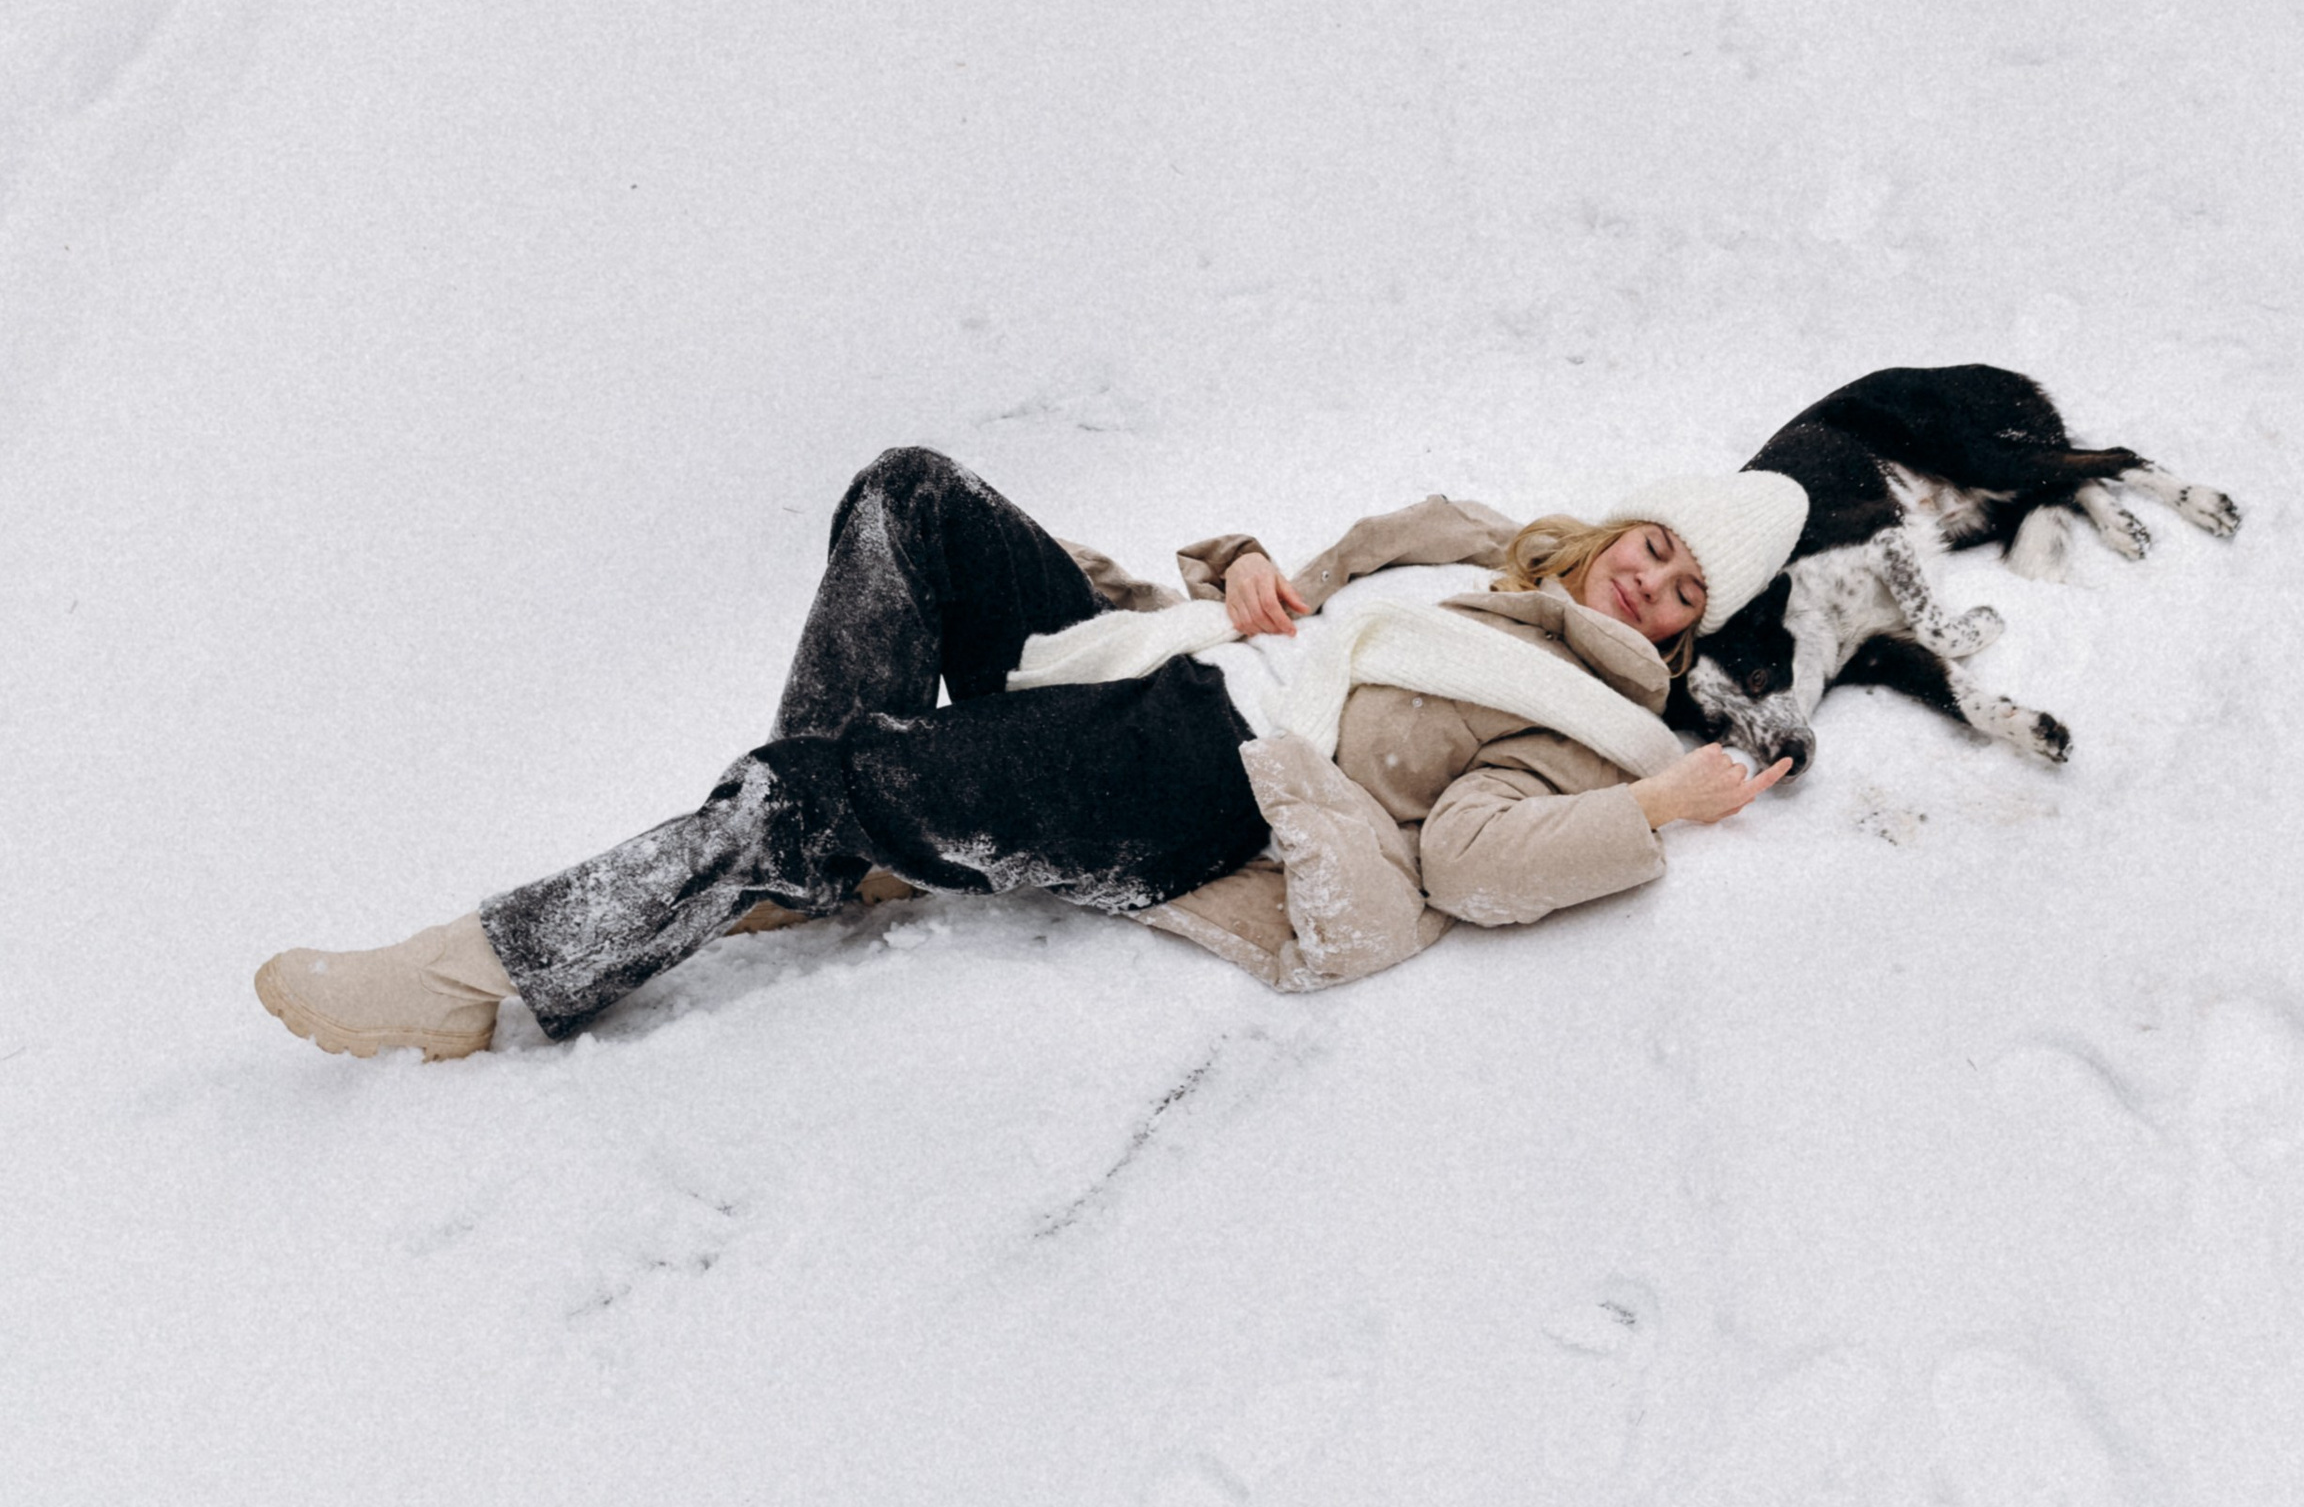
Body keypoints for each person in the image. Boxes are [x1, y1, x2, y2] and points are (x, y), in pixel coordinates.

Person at [252, 443, 1806, 1061]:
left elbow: (1467, 866)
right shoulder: (1475, 554)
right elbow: (1306, 594)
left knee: (814, 789)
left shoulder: (1589, 727)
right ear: (1625, 521)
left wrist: (1659, 802)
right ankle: (811, 846)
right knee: (912, 498)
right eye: (1656, 546)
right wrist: (1268, 576)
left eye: (1682, 598)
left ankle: (492, 977)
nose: (1651, 582)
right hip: (1147, 652)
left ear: (1677, 642)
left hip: (1194, 763)